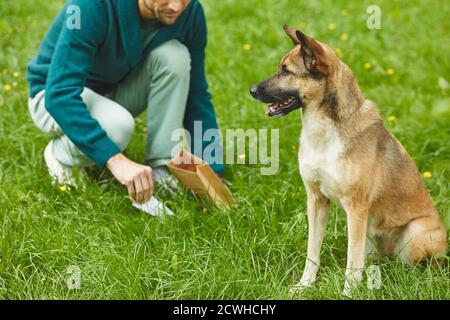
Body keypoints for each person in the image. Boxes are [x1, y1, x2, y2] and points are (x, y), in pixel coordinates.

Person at [26, 0, 224, 204]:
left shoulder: (190, 14)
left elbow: (196, 93)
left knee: (175, 56)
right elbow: (60, 93)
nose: (176, 7)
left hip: (113, 89)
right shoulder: (90, 5)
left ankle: (161, 167)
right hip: (52, 95)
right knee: (118, 126)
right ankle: (61, 154)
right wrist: (115, 160)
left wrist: (213, 169)